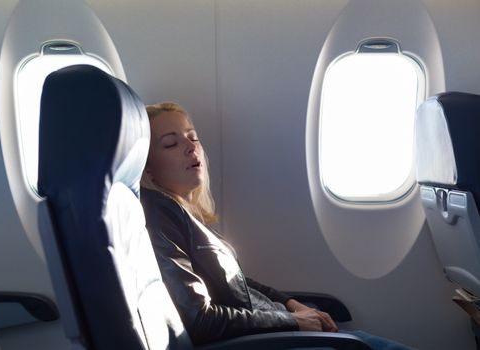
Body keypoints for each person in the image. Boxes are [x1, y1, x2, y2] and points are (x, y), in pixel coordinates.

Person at [140, 101, 413, 349]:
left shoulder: (186, 215)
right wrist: (292, 322)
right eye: (170, 144)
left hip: (274, 330)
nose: (191, 146)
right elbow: (201, 320)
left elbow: (237, 285)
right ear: (148, 168)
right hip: (262, 341)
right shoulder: (161, 216)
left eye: (193, 137)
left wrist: (290, 304)